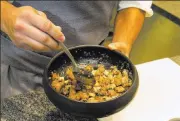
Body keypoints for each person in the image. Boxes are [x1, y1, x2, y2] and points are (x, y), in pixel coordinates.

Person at [0, 1, 153, 100]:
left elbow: (134, 2)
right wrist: (6, 15)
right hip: (17, 69)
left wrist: (122, 42)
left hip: (91, 57)